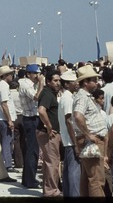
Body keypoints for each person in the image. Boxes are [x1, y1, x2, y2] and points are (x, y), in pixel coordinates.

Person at [72, 64, 107, 197]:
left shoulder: (85, 96)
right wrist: (88, 135)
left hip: (89, 139)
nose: (96, 82)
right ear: (85, 82)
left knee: (88, 177)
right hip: (92, 140)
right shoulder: (82, 96)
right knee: (96, 179)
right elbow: (77, 115)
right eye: (93, 80)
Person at [36, 69, 62, 197]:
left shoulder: (49, 93)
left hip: (47, 132)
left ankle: (48, 189)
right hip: (48, 133)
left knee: (49, 162)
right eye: (55, 81)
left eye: (59, 80)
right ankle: (52, 191)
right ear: (48, 82)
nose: (58, 83)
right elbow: (41, 111)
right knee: (52, 162)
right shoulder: (47, 94)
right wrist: (49, 127)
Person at [18, 63, 44, 189]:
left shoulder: (29, 84)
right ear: (28, 74)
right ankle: (30, 180)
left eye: (38, 73)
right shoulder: (25, 84)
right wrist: (41, 84)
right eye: (35, 73)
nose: (37, 76)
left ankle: (26, 178)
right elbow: (36, 97)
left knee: (31, 149)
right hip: (30, 118)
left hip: (32, 117)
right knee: (32, 151)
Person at [58, 69, 80, 197]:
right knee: (74, 171)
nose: (76, 84)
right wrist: (76, 143)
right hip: (71, 139)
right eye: (73, 82)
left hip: (68, 139)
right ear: (66, 84)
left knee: (68, 170)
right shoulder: (67, 99)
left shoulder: (68, 97)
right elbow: (69, 121)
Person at [0, 65, 17, 173]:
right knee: (7, 141)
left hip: (1, 117)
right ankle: (7, 164)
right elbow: (4, 104)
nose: (12, 76)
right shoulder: (3, 86)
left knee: (5, 141)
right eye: (10, 74)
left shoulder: (0, 86)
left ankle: (4, 163)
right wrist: (9, 120)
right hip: (4, 118)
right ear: (6, 75)